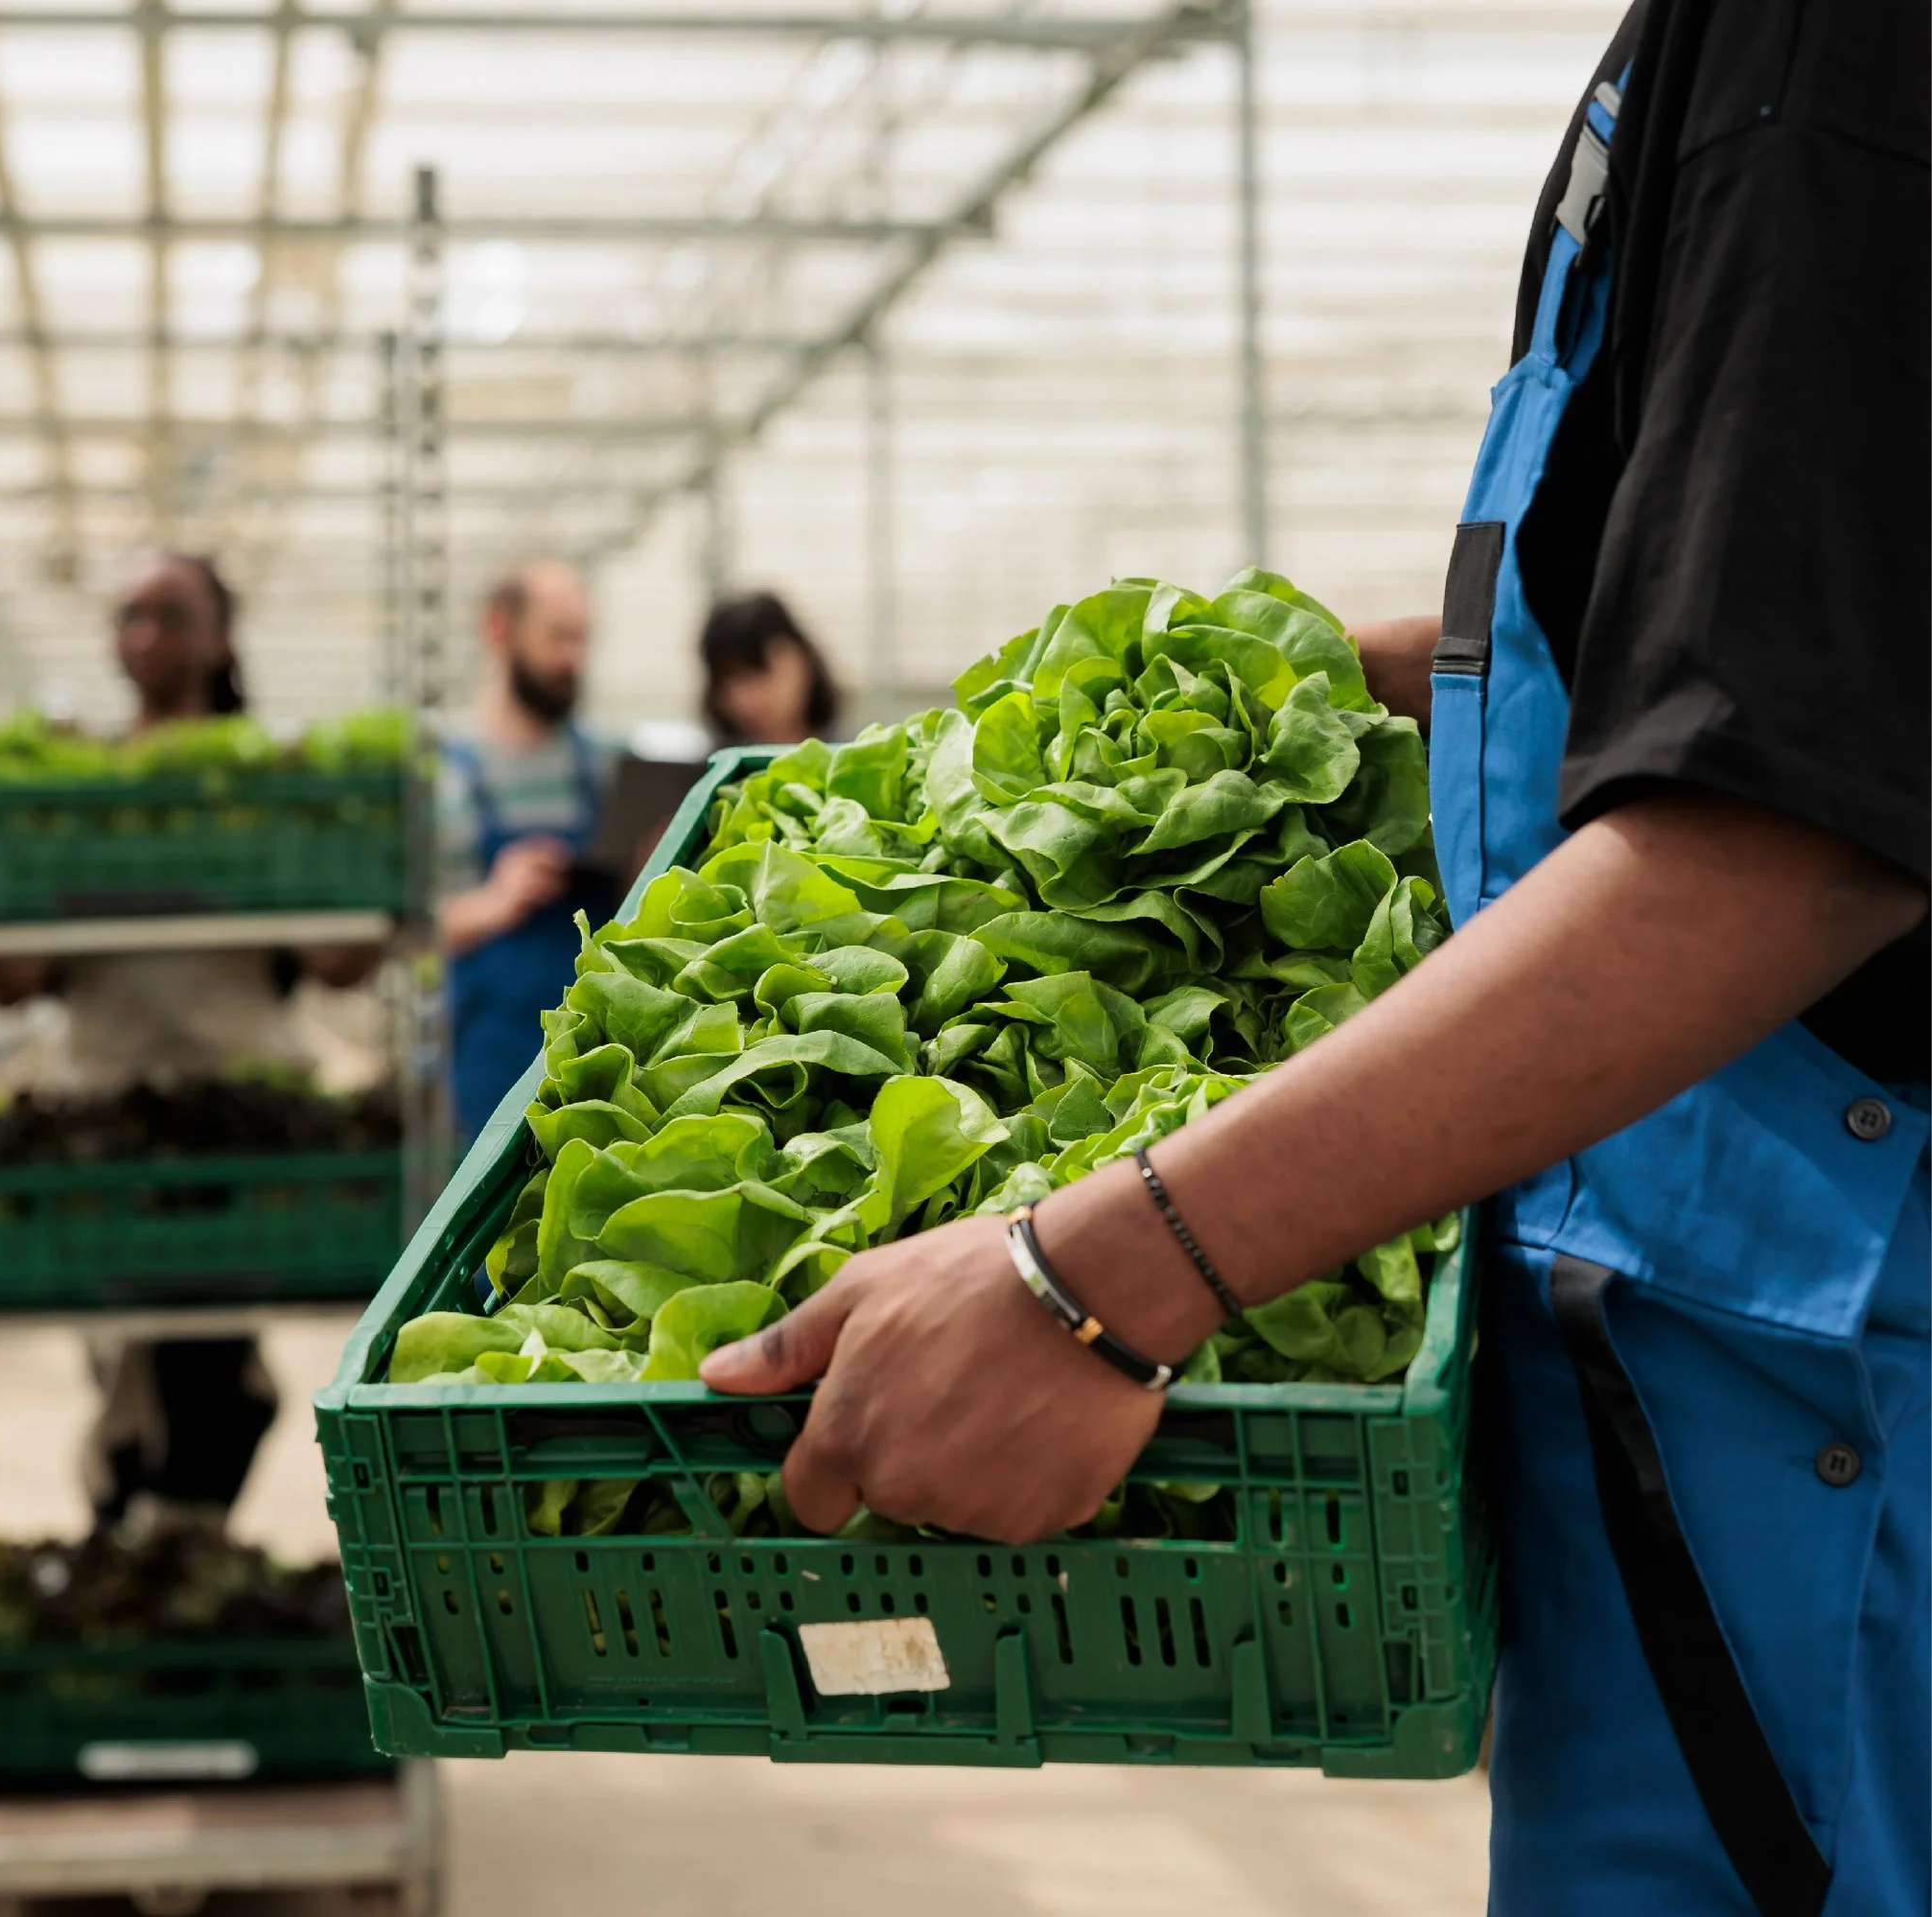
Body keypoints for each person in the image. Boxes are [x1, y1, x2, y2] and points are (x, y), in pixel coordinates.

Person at [700, 5, 1928, 1912]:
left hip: (1828, 1398)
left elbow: (1789, 830)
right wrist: (1238, 693)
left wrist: (1091, 1276)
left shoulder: (1837, 57)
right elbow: (1655, 601)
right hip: (1686, 1362)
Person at [0, 552, 346, 1533]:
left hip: (242, 1110)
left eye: (172, 613)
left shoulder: (264, 781)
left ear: (220, 636)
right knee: (132, 1352)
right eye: (131, 613)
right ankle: (150, 1531)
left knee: (203, 1362)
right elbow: (13, 979)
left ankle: (151, 1533)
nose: (147, 632)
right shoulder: (85, 791)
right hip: (105, 1109)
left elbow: (340, 956)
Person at [437, 560, 619, 1141]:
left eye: (582, 639)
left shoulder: (604, 767)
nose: (573, 659)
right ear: (499, 631)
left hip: (603, 1058)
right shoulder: (447, 775)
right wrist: (495, 900)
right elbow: (411, 930)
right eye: (557, 637)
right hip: (493, 1061)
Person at [699, 592, 841, 747]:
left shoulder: (853, 759)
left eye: (760, 671)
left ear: (804, 661)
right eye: (729, 679)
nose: (746, 697)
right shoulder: (713, 767)